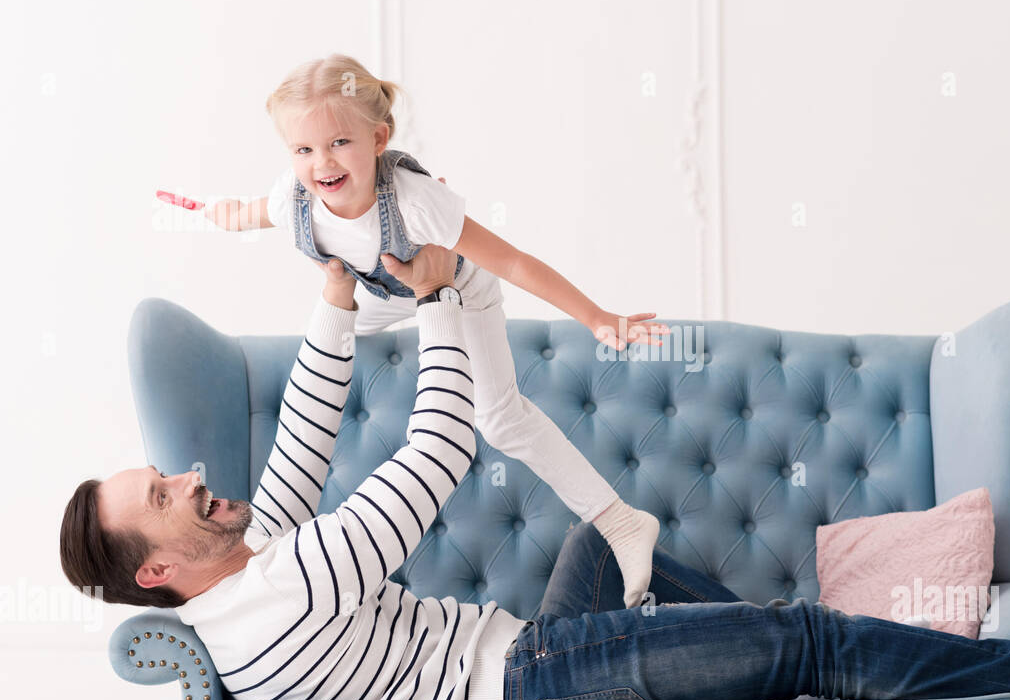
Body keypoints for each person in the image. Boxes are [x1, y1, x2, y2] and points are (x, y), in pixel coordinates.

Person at [60, 244, 1010, 700]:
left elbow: (302, 437)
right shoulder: (291, 588)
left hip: (531, 646)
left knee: (617, 531)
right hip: (539, 696)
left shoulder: (245, 585)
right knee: (800, 641)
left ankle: (780, 659)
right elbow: (442, 444)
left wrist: (334, 294)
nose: (198, 481)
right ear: (155, 568)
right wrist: (445, 299)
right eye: (166, 495)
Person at [159, 53, 666, 610]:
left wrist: (597, 317)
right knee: (326, 346)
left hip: (456, 292)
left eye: (338, 143)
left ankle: (621, 522)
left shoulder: (416, 203)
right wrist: (205, 211)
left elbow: (514, 263)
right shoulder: (296, 198)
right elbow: (250, 212)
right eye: (303, 149)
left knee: (499, 419)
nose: (320, 162)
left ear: (378, 138)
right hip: (381, 295)